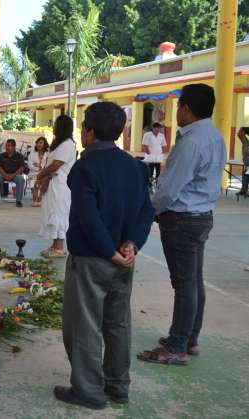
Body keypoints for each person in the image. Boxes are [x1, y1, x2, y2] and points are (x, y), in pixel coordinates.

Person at [54, 102, 155, 410]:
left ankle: (88, 390)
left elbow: (88, 217)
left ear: (90, 133)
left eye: (84, 126)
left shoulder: (85, 167)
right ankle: (117, 385)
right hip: (124, 259)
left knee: (84, 324)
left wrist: (110, 252)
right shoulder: (135, 166)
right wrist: (131, 245)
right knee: (117, 322)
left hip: (93, 257)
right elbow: (146, 210)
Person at [137, 84, 226, 366]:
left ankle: (177, 346)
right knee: (193, 281)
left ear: (186, 108)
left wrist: (148, 211)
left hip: (183, 219)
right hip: (201, 216)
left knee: (185, 284)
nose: (177, 112)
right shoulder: (214, 136)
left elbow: (168, 189)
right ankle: (189, 338)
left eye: (179, 106)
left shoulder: (191, 142)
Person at [36, 115, 77, 259]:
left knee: (59, 213)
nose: (53, 127)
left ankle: (59, 248)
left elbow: (56, 165)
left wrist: (40, 174)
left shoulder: (67, 144)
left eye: (56, 124)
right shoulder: (59, 143)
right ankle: (55, 245)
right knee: (52, 212)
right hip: (54, 182)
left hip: (60, 184)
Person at [0, 139, 26, 207]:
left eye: (9, 146)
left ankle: (18, 201)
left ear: (14, 147)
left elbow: (21, 168)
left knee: (21, 179)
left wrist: (12, 175)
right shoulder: (1, 155)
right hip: (3, 174)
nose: (6, 147)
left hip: (15, 175)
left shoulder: (20, 156)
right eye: (6, 146)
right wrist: (5, 175)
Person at [29, 137, 49, 207]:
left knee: (43, 179)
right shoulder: (32, 153)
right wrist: (38, 168)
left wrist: (39, 166)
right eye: (37, 143)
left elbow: (48, 165)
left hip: (44, 173)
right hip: (33, 173)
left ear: (44, 144)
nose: (39, 144)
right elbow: (30, 165)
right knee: (34, 181)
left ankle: (40, 199)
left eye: (41, 143)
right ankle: (35, 199)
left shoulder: (48, 154)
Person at [236, 127, 249, 197]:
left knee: (246, 176)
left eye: (241, 131)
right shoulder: (246, 142)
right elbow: (239, 135)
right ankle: (243, 190)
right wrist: (242, 129)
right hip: (247, 163)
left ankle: (244, 190)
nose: (238, 132)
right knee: (245, 176)